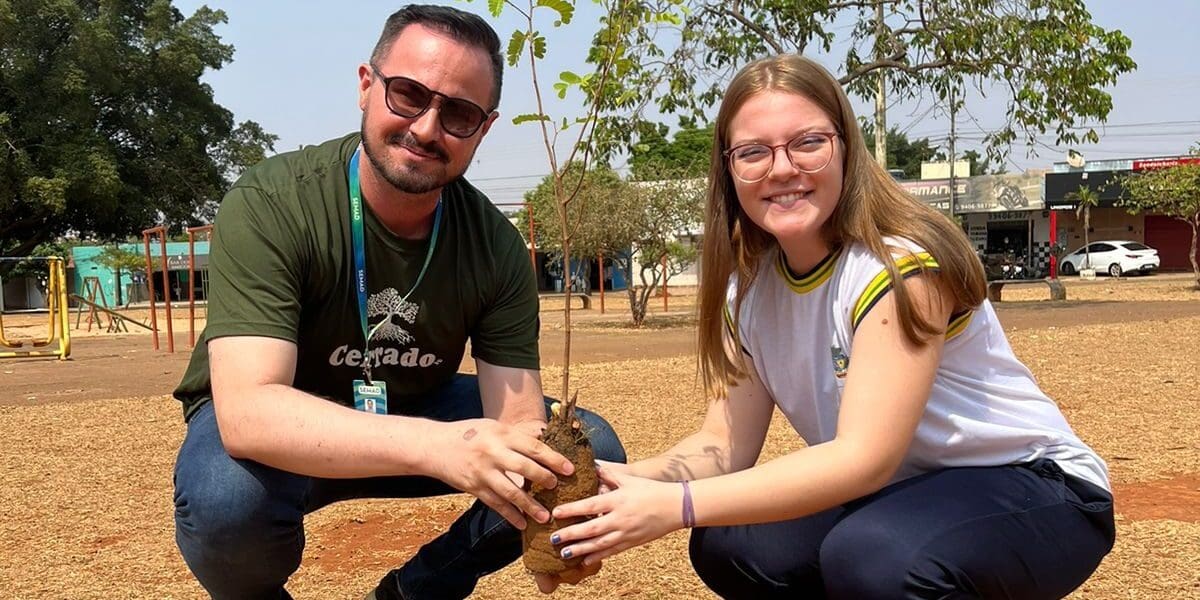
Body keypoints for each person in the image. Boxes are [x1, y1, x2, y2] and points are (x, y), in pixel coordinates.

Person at [547, 54, 1114, 599]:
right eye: (753, 152)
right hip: (898, 497)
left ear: (846, 148)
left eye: (808, 143)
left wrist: (677, 506)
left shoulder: (899, 266)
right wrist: (614, 483)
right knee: (731, 544)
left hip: (1034, 487)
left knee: (875, 557)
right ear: (728, 169)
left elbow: (866, 457)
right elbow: (723, 445)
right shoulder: (748, 290)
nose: (783, 168)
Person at [170, 5, 625, 599]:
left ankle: (415, 592)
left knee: (584, 443)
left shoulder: (494, 246)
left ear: (484, 128)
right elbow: (250, 413)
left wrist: (541, 516)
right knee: (224, 496)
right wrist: (443, 446)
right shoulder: (274, 202)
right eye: (408, 94)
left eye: (458, 113)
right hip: (289, 426)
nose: (427, 128)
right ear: (366, 86)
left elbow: (519, 420)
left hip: (414, 404)